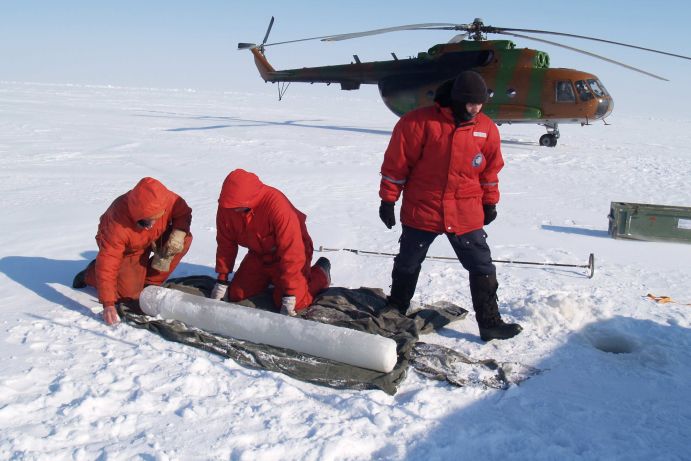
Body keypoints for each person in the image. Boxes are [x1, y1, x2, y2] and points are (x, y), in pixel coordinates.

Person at [377, 71, 522, 341]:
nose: (475, 109)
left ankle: (489, 322)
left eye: (480, 104)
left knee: (482, 267)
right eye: (470, 103)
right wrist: (388, 199)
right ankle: (396, 310)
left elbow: (490, 171)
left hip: (465, 211)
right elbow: (396, 165)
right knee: (408, 262)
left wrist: (490, 202)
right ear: (456, 99)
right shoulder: (418, 123)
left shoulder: (486, 128)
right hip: (424, 208)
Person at [72, 177, 193, 326]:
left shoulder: (166, 198)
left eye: (157, 217)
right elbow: (108, 260)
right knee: (127, 296)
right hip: (128, 251)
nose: (152, 224)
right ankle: (90, 274)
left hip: (153, 239)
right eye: (147, 221)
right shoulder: (117, 224)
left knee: (184, 239)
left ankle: (150, 283)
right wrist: (108, 303)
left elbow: (183, 213)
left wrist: (178, 233)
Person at [211, 169, 331, 316]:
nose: (233, 210)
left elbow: (292, 251)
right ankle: (274, 280)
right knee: (236, 294)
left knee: (295, 302)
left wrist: (290, 293)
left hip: (292, 254)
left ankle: (321, 273)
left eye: (237, 206)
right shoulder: (227, 207)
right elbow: (225, 244)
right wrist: (222, 279)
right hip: (260, 254)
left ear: (249, 199)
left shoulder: (277, 206)